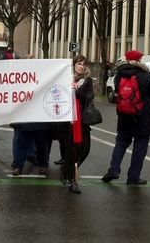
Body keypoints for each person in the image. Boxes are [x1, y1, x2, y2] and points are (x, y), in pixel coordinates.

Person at [101, 50, 150, 185]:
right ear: (139, 60)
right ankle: (133, 176)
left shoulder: (119, 75)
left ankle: (114, 169)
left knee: (120, 143)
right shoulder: (146, 76)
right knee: (140, 148)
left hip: (124, 115)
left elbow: (117, 92)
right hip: (143, 117)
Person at [61, 54, 94, 194]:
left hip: (82, 120)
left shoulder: (87, 81)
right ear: (73, 65)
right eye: (79, 63)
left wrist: (76, 91)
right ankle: (72, 181)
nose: (81, 66)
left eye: (83, 64)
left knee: (85, 149)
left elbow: (88, 97)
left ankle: (67, 170)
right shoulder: (65, 78)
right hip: (68, 121)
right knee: (71, 151)